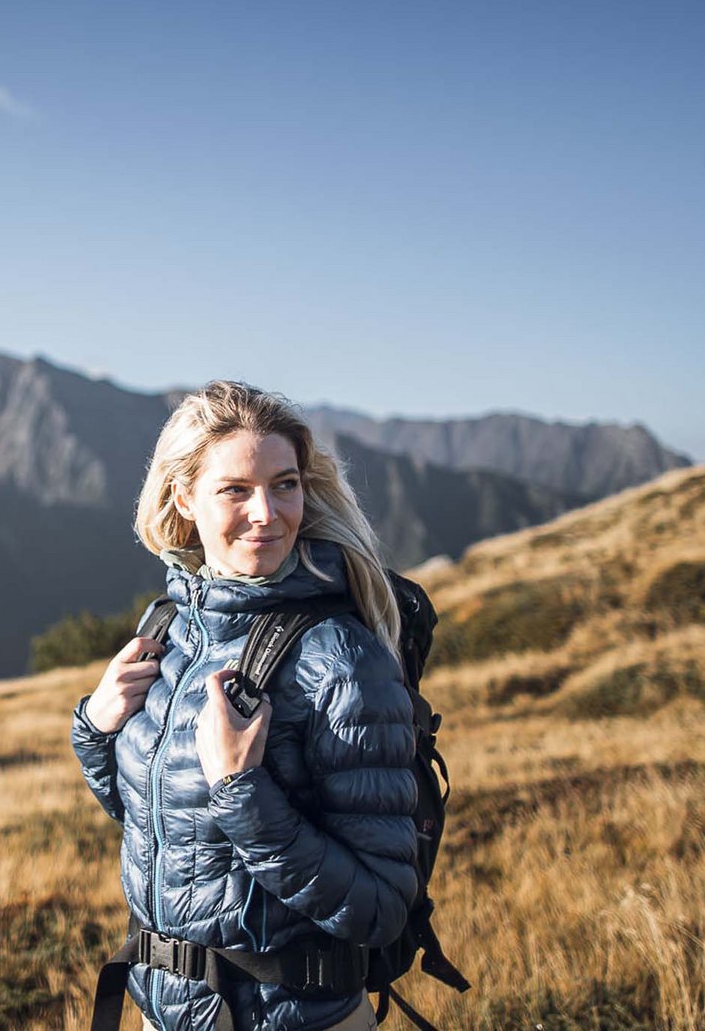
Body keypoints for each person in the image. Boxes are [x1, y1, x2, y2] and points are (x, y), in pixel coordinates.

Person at [71, 380, 417, 1031]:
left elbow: (379, 907)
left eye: (284, 484)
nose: (267, 512)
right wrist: (97, 728)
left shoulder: (341, 663)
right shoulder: (171, 626)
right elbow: (154, 823)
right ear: (185, 497)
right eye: (236, 490)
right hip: (165, 1009)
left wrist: (241, 792)